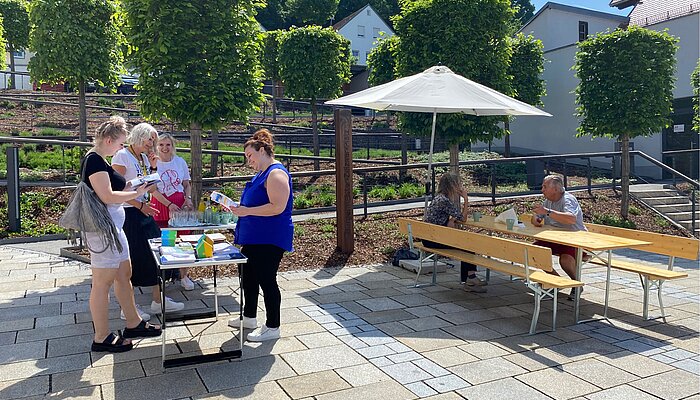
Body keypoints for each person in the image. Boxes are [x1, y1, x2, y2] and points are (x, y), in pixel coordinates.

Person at [82, 116, 161, 352]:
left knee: (124, 273)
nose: (121, 148)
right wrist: (135, 194)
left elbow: (117, 187)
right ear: (108, 140)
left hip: (114, 228)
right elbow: (106, 196)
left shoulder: (101, 160)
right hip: (103, 230)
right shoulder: (94, 161)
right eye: (119, 144)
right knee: (102, 282)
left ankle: (133, 322)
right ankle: (101, 336)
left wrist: (135, 185)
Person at [112, 123, 185, 318]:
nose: (153, 143)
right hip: (129, 213)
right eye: (150, 139)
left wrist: (153, 167)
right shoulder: (122, 156)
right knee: (134, 258)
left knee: (157, 252)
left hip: (144, 212)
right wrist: (140, 206)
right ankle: (127, 309)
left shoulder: (143, 158)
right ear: (138, 136)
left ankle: (158, 300)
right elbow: (116, 189)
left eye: (154, 139)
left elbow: (151, 188)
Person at [227, 128, 293, 342]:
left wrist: (246, 211)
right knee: (248, 276)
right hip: (255, 238)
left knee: (267, 280)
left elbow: (277, 207)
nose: (249, 161)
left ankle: (273, 326)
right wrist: (240, 207)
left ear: (262, 150)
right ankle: (249, 317)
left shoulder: (276, 173)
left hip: (270, 238)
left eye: (250, 155)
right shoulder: (261, 174)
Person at [423, 172, 487, 293]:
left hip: (429, 237)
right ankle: (470, 278)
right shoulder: (444, 201)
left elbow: (450, 217)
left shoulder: (439, 198)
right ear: (451, 186)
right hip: (433, 240)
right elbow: (463, 219)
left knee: (465, 243)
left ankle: (469, 279)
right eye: (458, 184)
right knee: (468, 244)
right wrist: (466, 199)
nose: (460, 187)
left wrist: (450, 220)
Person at [530, 174, 587, 299]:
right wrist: (537, 217)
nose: (542, 190)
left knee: (565, 259)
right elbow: (537, 220)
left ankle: (576, 285)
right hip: (554, 238)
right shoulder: (548, 200)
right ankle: (556, 282)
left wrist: (547, 212)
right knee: (533, 253)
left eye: (544, 187)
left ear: (555, 189)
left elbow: (571, 219)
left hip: (574, 238)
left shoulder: (568, 199)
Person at [151, 133, 195, 291]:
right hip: (161, 205)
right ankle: (161, 276)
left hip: (179, 205)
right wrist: (168, 204)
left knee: (184, 239)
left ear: (172, 146)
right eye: (161, 145)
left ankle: (184, 276)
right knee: (163, 241)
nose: (164, 148)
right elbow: (153, 190)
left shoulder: (179, 162)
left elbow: (186, 184)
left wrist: (187, 198)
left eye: (167, 145)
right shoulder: (154, 163)